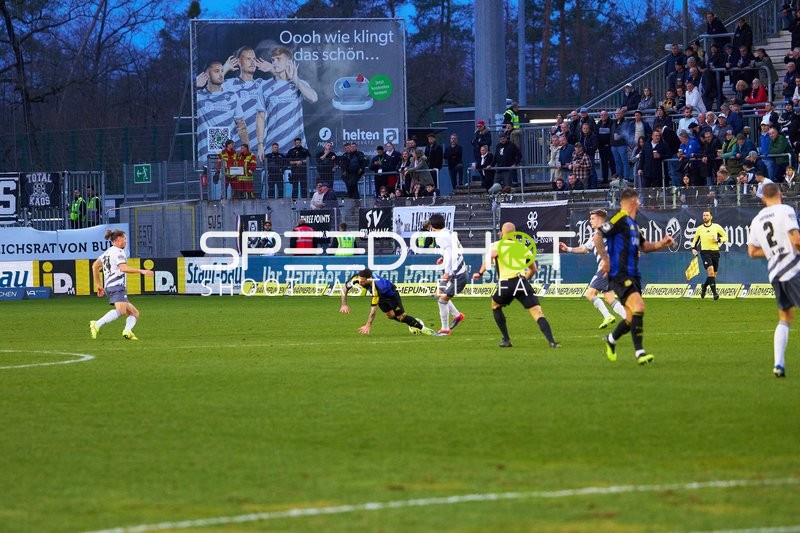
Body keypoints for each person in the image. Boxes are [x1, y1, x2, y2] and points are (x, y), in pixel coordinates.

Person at [594, 188, 675, 365]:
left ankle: (611, 339)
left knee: (631, 318)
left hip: (634, 274)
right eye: (638, 200)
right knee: (639, 306)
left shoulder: (633, 224)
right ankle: (640, 353)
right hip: (619, 274)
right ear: (633, 201)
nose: (639, 203)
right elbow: (598, 236)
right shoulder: (619, 219)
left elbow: (644, 246)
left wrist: (662, 243)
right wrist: (605, 260)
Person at [471, 222, 559, 348]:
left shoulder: (497, 245)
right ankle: (551, 341)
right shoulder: (522, 247)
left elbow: (489, 258)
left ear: (502, 233)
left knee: (495, 305)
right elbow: (533, 269)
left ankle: (506, 339)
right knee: (537, 313)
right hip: (521, 282)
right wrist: (523, 281)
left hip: (506, 283)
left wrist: (479, 273)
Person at [746, 183, 800, 377]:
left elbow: (752, 251)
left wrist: (772, 252)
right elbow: (796, 241)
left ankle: (779, 364)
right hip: (793, 269)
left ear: (763, 199)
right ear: (781, 194)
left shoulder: (757, 219)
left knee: (785, 318)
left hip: (775, 273)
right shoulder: (786, 210)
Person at [559, 209, 628, 329]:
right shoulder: (595, 235)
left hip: (607, 267)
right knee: (609, 297)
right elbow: (584, 249)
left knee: (589, 293)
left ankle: (607, 316)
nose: (590, 221)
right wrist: (568, 249)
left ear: (600, 218)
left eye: (592, 218)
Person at [89, 228, 154, 341]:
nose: (126, 241)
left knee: (134, 313)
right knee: (121, 311)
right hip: (116, 286)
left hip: (110, 286)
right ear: (118, 239)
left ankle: (127, 331)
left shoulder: (108, 252)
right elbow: (123, 268)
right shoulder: (119, 252)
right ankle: (96, 324)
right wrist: (142, 271)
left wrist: (99, 285)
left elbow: (94, 266)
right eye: (125, 239)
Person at [257, 46, 318, 157]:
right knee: (272, 175)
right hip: (273, 146)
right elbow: (260, 116)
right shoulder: (264, 86)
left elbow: (313, 98)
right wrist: (260, 144)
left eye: (279, 59)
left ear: (289, 62)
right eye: (273, 60)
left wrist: (295, 79)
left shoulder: (299, 83)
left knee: (299, 175)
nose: (275, 62)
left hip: (297, 147)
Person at [339, 268, 434, 336]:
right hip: (381, 297)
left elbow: (373, 309)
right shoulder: (356, 278)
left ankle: (423, 328)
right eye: (360, 280)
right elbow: (345, 288)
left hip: (391, 295)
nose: (360, 283)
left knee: (401, 316)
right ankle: (411, 322)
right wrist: (344, 304)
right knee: (390, 315)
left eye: (363, 281)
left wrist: (368, 324)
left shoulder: (377, 287)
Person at [425, 213, 467, 336]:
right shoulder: (449, 233)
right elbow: (458, 250)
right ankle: (457, 315)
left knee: (442, 300)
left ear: (432, 225)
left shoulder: (440, 236)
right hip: (458, 271)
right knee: (439, 295)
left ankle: (445, 329)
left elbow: (449, 253)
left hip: (457, 275)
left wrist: (447, 272)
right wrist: (443, 258)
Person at [195, 59, 243, 164]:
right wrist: (194, 86)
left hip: (228, 158)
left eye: (222, 71)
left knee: (230, 180)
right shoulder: (198, 96)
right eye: (217, 71)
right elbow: (181, 107)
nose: (221, 74)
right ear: (207, 74)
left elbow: (241, 125)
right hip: (206, 158)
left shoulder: (232, 96)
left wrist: (246, 149)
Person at [691, 210, 728, 300]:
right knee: (710, 271)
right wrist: (693, 248)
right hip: (705, 252)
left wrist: (718, 239)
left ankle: (704, 286)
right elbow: (695, 240)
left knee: (713, 275)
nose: (705, 217)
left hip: (715, 252)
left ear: (711, 217)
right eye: (703, 215)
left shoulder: (716, 227)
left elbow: (726, 237)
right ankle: (715, 294)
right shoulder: (699, 228)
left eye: (707, 215)